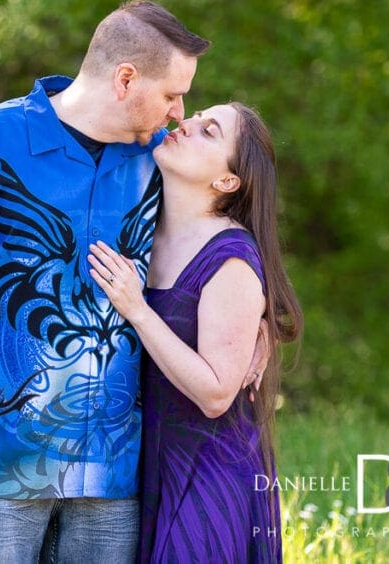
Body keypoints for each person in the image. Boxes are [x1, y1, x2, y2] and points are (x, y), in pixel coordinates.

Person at [0, 0, 215, 562]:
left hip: (113, 473)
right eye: (171, 94)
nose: (178, 112)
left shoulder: (160, 162)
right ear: (125, 79)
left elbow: (226, 229)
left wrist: (259, 320)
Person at [88, 101, 303, 563]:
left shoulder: (229, 257)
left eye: (209, 131)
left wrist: (137, 309)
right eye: (194, 117)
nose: (185, 124)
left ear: (227, 182)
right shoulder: (143, 227)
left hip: (208, 477)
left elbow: (216, 394)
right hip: (150, 470)